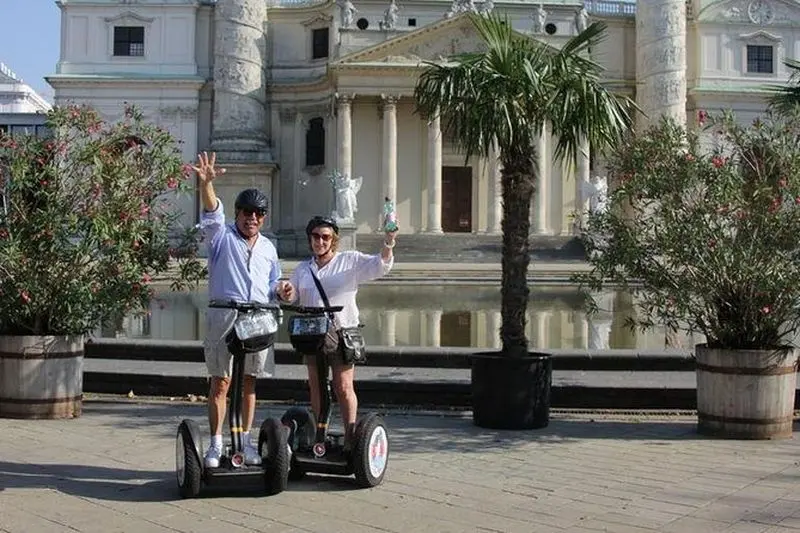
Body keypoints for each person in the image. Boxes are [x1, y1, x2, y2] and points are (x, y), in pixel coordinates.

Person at [192, 151, 293, 468]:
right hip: (225, 316)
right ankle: (216, 444)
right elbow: (212, 213)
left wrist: (283, 289)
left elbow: (275, 280)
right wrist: (207, 185)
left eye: (259, 213)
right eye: (247, 212)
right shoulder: (221, 237)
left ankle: (245, 442)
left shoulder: (268, 246)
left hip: (258, 319)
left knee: (250, 381)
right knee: (220, 382)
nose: (253, 218)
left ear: (264, 217)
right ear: (237, 213)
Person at [277, 216, 397, 450]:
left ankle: (351, 438)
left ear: (333, 240)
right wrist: (285, 291)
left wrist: (389, 241)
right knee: (316, 386)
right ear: (310, 239)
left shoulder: (349, 261)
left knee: (343, 387)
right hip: (312, 335)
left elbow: (380, 265)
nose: (320, 241)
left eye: (325, 237)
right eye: (316, 236)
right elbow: (292, 296)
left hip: (341, 333)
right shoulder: (303, 268)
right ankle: (318, 434)